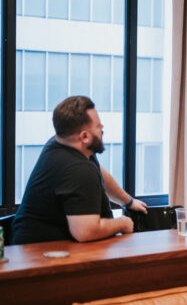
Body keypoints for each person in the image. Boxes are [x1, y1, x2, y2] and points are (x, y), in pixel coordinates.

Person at [11, 96, 147, 244]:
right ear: (84, 137)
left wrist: (128, 202)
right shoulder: (77, 168)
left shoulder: (65, 143)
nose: (102, 128)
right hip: (40, 253)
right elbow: (85, 232)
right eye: (98, 126)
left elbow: (99, 172)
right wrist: (123, 223)